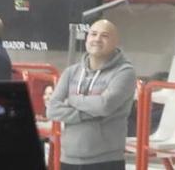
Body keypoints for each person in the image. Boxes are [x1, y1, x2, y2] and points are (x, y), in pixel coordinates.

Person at [46, 18, 136, 170]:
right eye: (93, 34)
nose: (97, 39)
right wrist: (90, 111)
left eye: (104, 36)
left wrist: (71, 100)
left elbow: (105, 106)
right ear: (87, 38)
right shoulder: (71, 72)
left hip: (106, 160)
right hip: (69, 158)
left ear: (115, 42)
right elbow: (52, 110)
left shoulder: (124, 72)